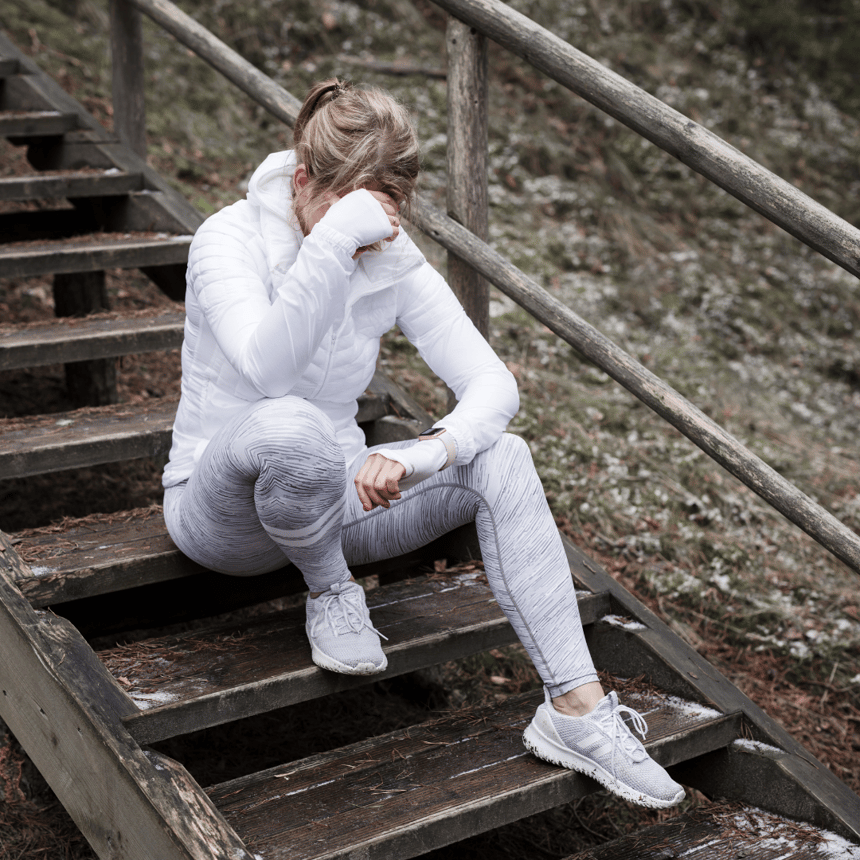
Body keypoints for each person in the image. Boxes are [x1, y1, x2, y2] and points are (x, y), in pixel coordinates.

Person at [161, 78, 685, 810]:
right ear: (303, 179)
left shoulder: (384, 253)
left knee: (503, 456)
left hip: (337, 500)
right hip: (221, 515)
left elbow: (494, 386)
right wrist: (336, 241)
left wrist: (422, 453)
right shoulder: (228, 238)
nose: (375, 233)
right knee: (294, 425)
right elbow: (268, 370)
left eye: (384, 213)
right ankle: (329, 590)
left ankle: (578, 712)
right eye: (354, 211)